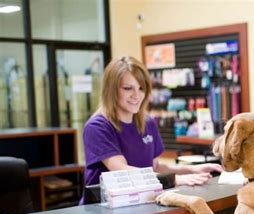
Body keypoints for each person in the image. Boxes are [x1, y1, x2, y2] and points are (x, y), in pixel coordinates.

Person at [82, 56, 222, 191]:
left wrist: (191, 169)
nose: (136, 95)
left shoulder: (147, 122)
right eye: (127, 88)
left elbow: (154, 167)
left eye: (141, 88)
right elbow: (122, 170)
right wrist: (174, 179)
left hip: (141, 202)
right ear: (111, 90)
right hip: (103, 209)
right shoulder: (97, 127)